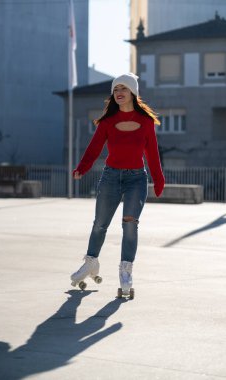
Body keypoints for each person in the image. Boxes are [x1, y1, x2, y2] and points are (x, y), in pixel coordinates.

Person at [70, 73, 165, 298]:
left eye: (123, 88)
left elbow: (152, 154)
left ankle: (125, 271)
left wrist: (159, 180)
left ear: (133, 92)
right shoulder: (108, 121)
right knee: (100, 224)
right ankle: (91, 262)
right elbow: (94, 148)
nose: (119, 92)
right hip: (110, 177)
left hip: (136, 179)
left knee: (130, 224)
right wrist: (82, 167)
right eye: (115, 89)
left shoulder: (145, 121)